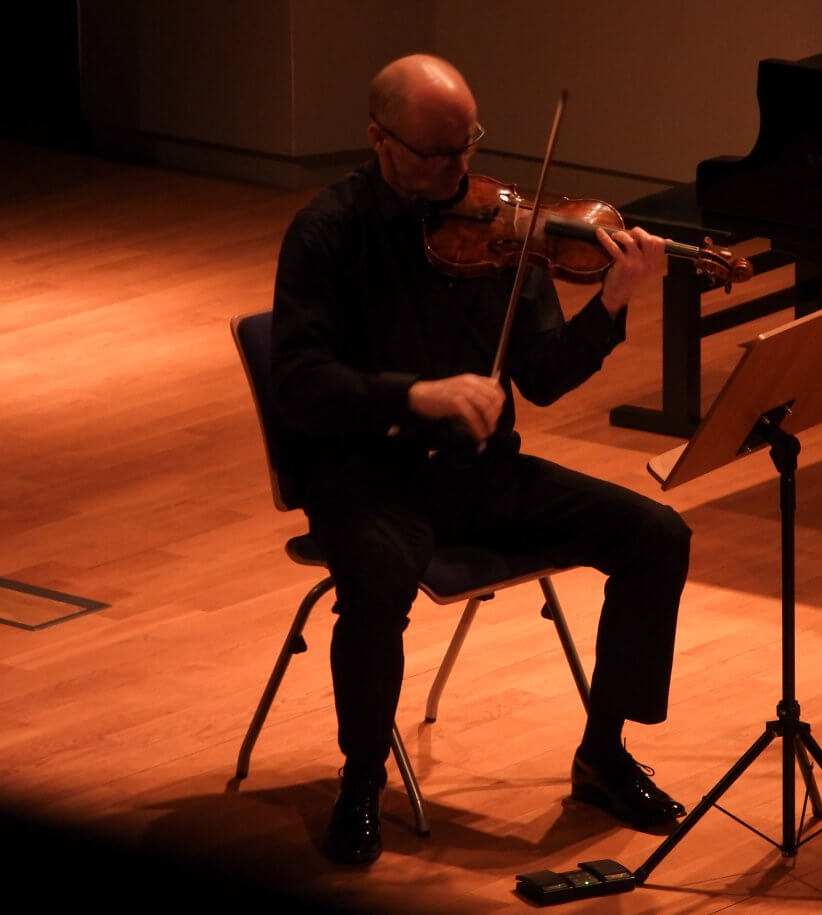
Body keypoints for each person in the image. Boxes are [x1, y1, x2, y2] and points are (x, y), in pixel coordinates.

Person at [270, 54, 691, 866]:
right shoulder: (328, 232)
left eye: (468, 146)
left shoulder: (501, 227)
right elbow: (299, 381)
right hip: (369, 476)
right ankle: (362, 778)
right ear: (378, 140)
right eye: (437, 153)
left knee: (656, 533)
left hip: (480, 472)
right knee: (378, 581)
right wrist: (415, 395)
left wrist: (610, 305)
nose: (460, 169)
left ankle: (603, 752)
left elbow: (538, 374)